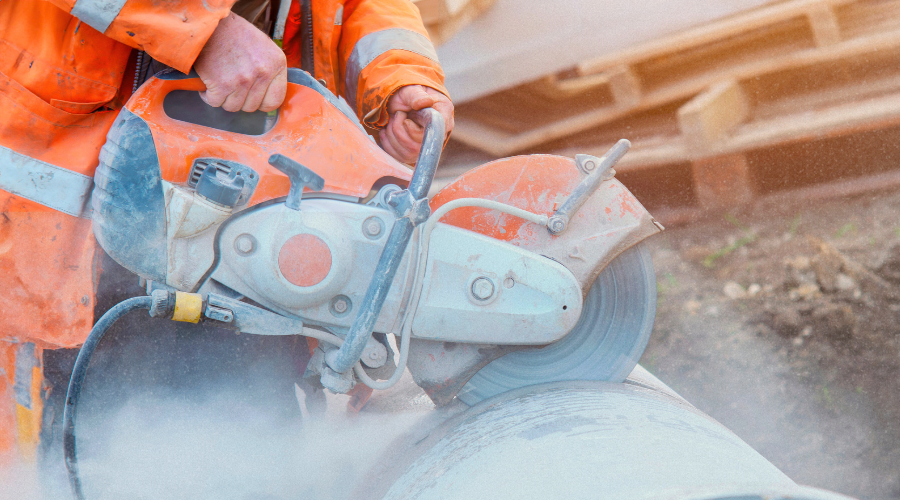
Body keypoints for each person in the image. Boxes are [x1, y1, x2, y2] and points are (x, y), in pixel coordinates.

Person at [0, 0, 454, 467]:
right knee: (93, 449)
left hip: (256, 190)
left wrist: (399, 76)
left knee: (249, 442)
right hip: (85, 227)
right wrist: (201, 29)